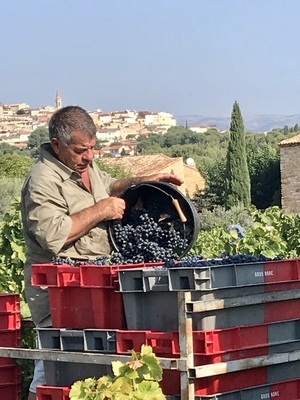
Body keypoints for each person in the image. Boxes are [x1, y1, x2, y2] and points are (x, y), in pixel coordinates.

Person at [20, 105, 183, 400]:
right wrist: (101, 210)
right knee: (54, 371)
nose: (90, 157)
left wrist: (141, 182)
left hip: (95, 285)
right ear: (57, 145)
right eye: (82, 150)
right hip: (60, 291)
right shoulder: (42, 181)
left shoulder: (84, 167)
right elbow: (54, 236)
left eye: (93, 148)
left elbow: (108, 185)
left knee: (94, 373)